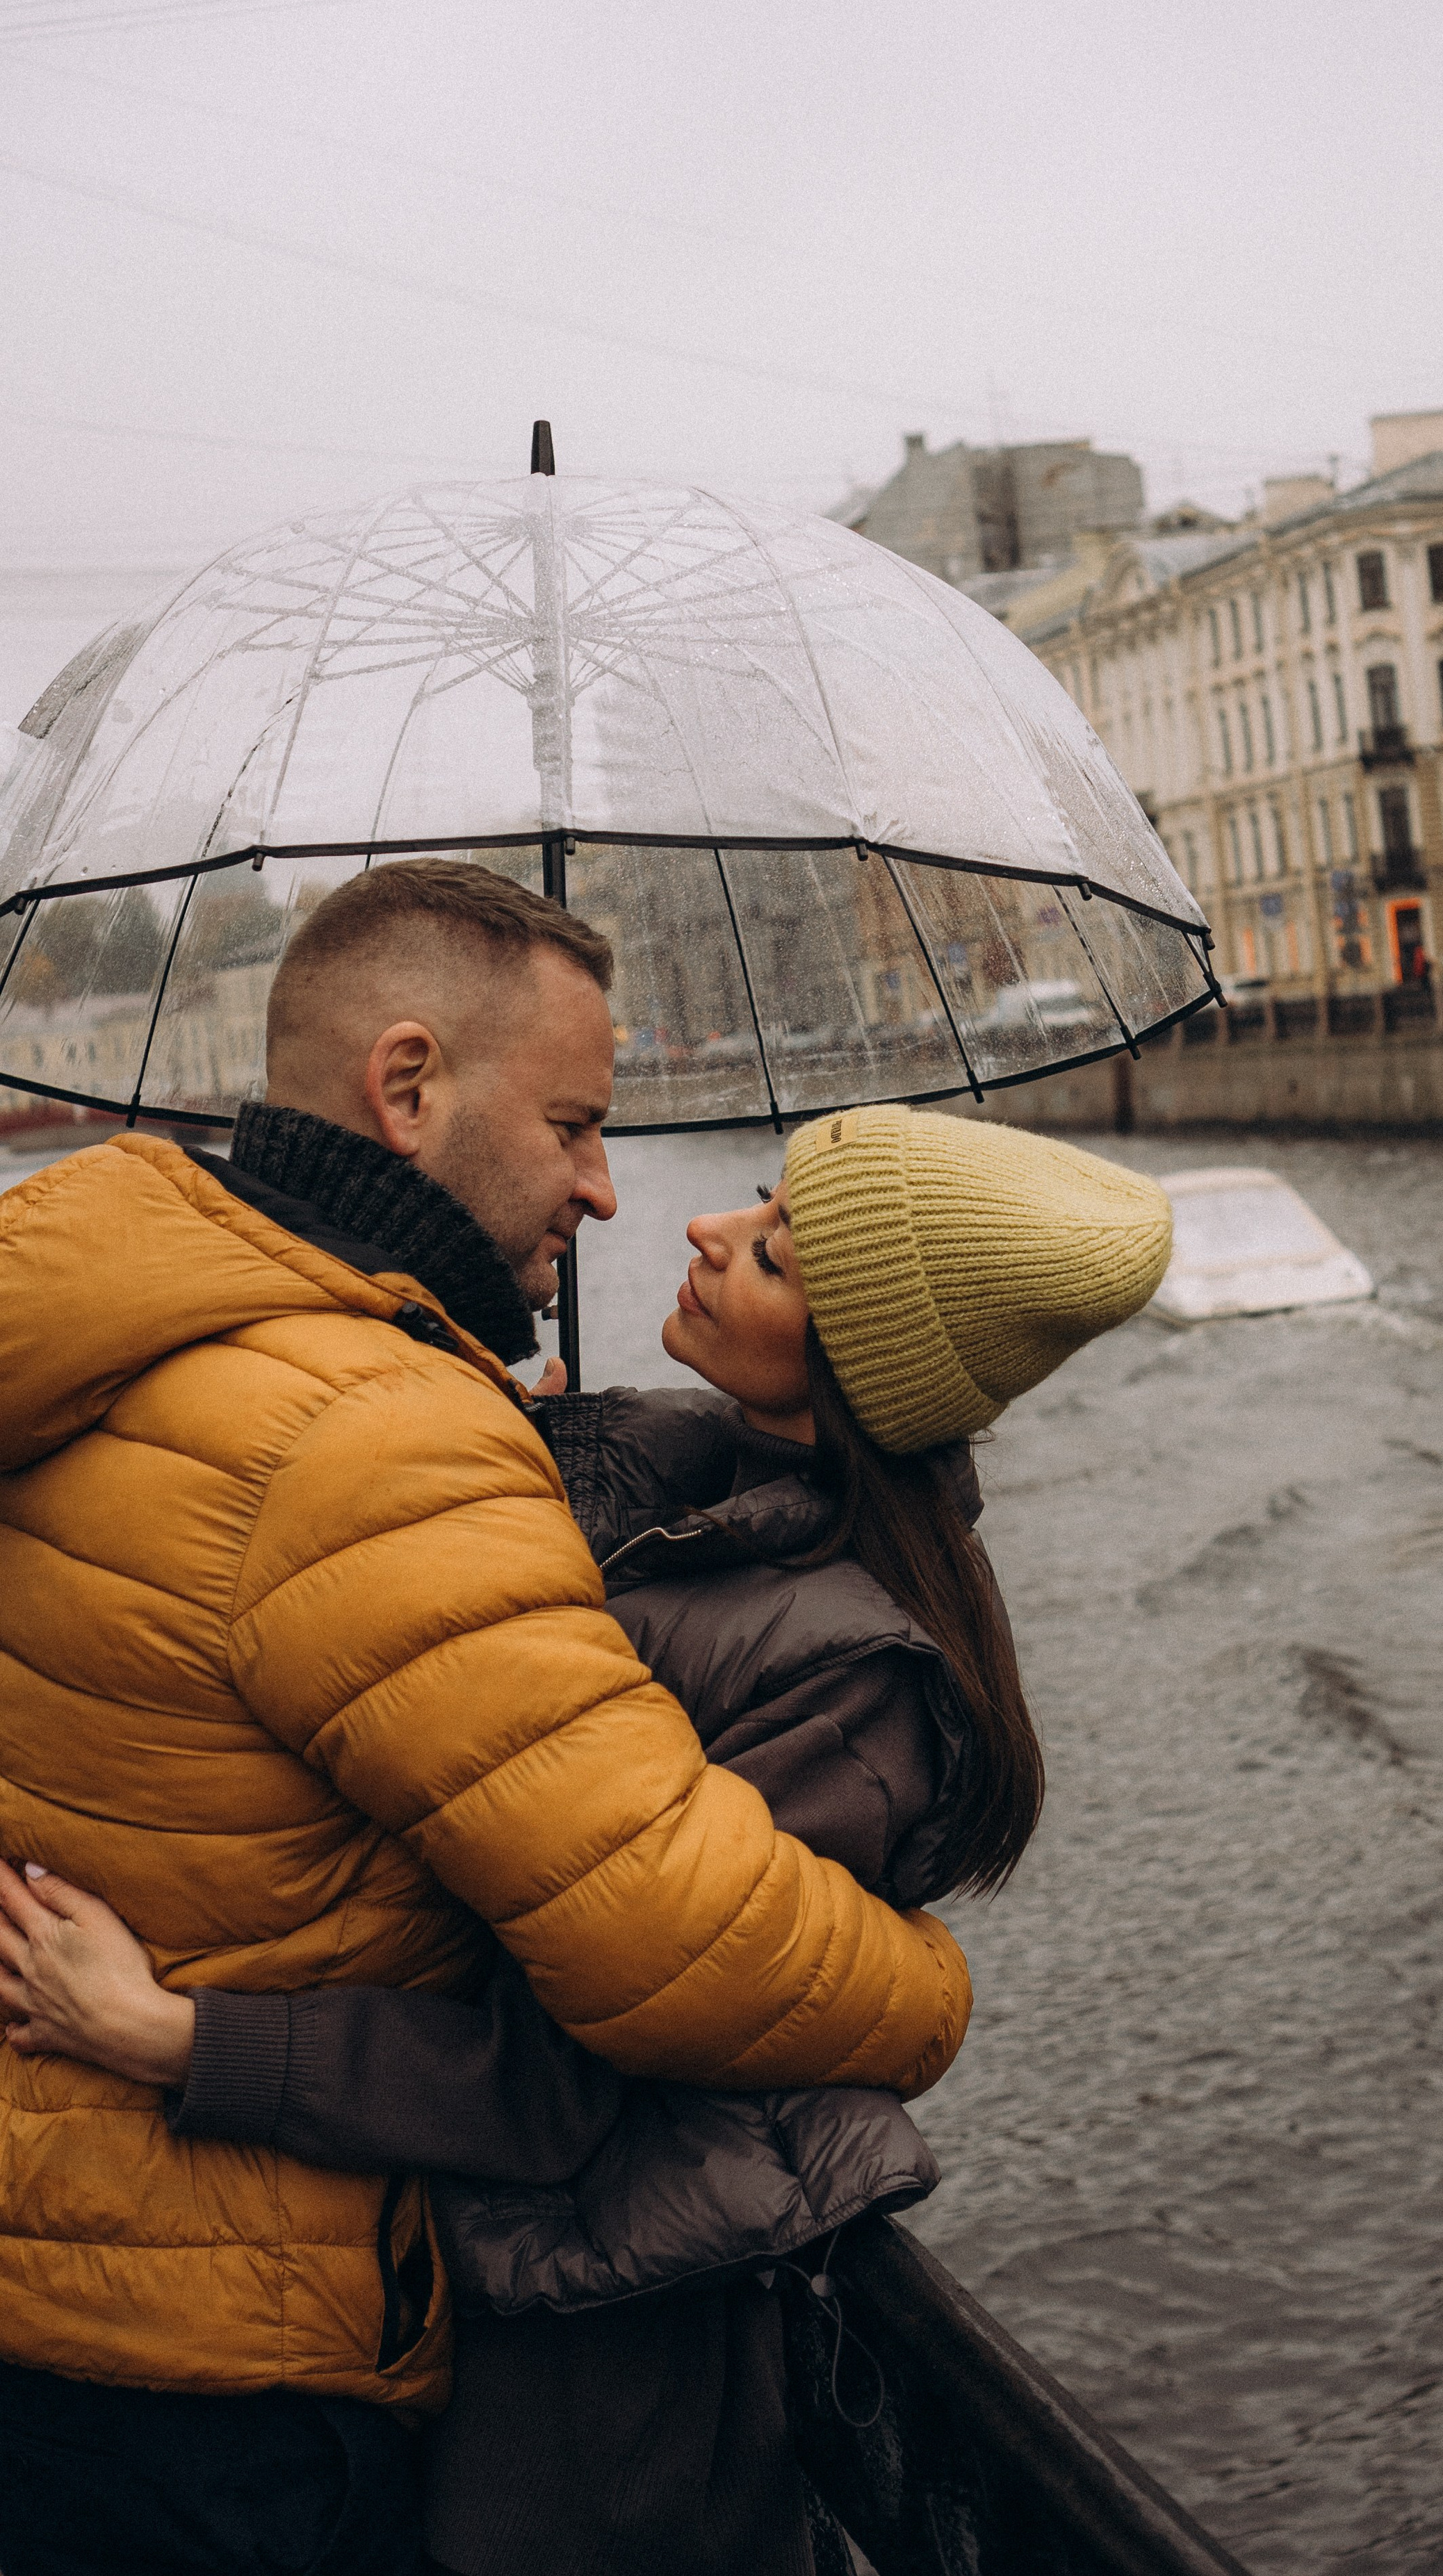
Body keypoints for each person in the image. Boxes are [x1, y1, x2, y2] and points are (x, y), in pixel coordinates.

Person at [0, 1100, 1176, 2576]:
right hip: (453, 2292)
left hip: (583, 2390)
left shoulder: (848, 1684)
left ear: (854, 1369)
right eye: (756, 1203)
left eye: (775, 1255)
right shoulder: (667, 1498)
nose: (701, 1230)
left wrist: (180, 2039)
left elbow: (571, 2084)